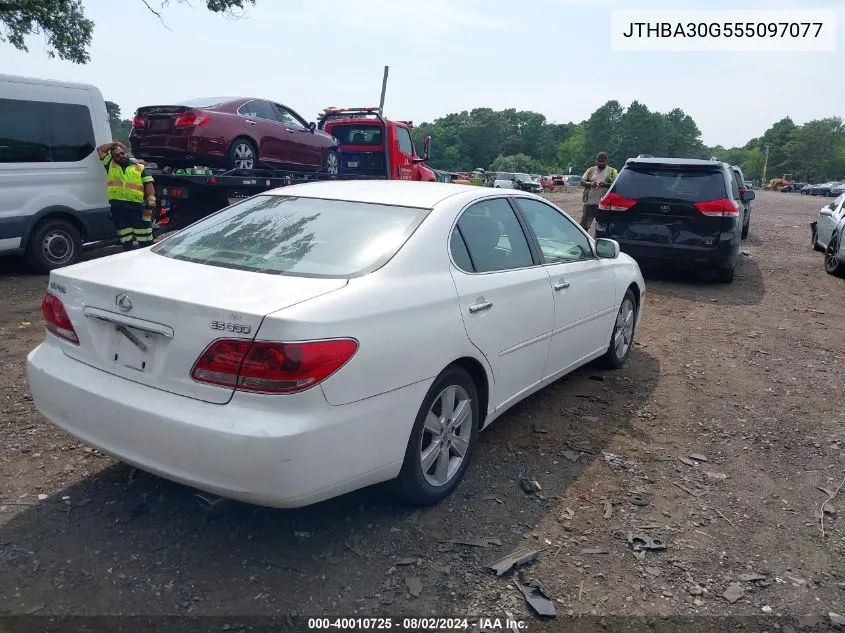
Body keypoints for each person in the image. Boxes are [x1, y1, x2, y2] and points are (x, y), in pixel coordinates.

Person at [96, 141, 156, 251]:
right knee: (125, 239)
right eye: (117, 155)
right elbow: (100, 150)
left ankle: (148, 259)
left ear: (126, 152)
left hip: (137, 208)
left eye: (122, 153)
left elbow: (148, 183)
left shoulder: (139, 167)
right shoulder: (110, 165)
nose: (121, 156)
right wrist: (115, 143)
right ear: (113, 157)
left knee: (145, 238)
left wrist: (151, 199)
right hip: (118, 209)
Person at [579, 152, 618, 232]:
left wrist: (605, 184)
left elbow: (617, 184)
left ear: (607, 161)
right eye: (599, 161)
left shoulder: (612, 172)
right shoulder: (590, 170)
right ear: (596, 161)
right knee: (584, 225)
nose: (601, 163)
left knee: (603, 225)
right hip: (589, 202)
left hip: (603, 203)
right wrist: (590, 184)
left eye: (603, 161)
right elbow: (582, 182)